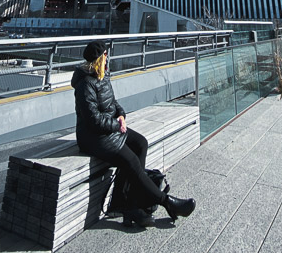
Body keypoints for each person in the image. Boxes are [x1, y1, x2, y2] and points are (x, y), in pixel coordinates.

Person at [71, 40, 196, 227]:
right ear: (100, 58)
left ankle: (126, 203)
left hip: (110, 129)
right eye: (106, 55)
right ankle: (167, 203)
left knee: (141, 143)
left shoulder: (103, 76)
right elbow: (93, 121)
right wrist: (116, 125)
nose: (108, 58)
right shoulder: (85, 84)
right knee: (131, 162)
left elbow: (112, 102)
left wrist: (120, 114)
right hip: (93, 137)